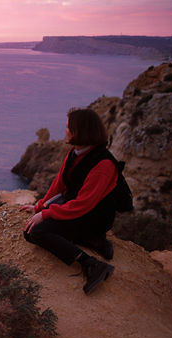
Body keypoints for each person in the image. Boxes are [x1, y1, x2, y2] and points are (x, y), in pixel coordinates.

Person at [21, 108, 120, 295]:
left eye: (69, 127)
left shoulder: (103, 164)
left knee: (39, 231)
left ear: (81, 131)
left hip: (94, 216)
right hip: (76, 207)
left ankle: (92, 264)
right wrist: (39, 207)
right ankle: (94, 241)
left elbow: (84, 204)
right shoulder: (75, 153)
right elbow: (58, 184)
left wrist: (47, 214)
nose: (65, 131)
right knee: (30, 231)